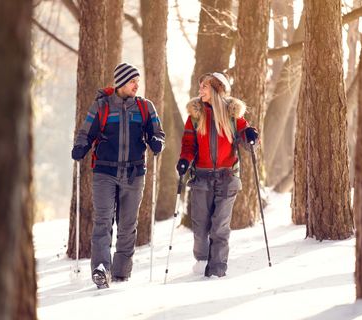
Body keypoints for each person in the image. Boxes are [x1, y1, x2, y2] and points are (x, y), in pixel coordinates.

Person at [71, 62, 165, 288]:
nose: (137, 85)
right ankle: (101, 269)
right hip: (104, 172)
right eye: (133, 81)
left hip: (134, 173)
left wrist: (157, 142)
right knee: (103, 222)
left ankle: (121, 273)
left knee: (127, 225)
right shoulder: (101, 106)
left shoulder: (145, 107)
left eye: (137, 81)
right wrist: (80, 147)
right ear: (121, 82)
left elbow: (158, 132)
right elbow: (85, 133)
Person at [177, 72, 259, 278]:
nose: (200, 90)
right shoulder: (195, 116)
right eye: (200, 86)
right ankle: (202, 260)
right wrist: (185, 160)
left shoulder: (233, 116)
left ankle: (217, 270)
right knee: (200, 227)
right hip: (201, 178)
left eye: (204, 86)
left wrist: (251, 137)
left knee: (220, 226)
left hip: (227, 177)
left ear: (216, 89)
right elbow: (188, 144)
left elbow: (248, 141)